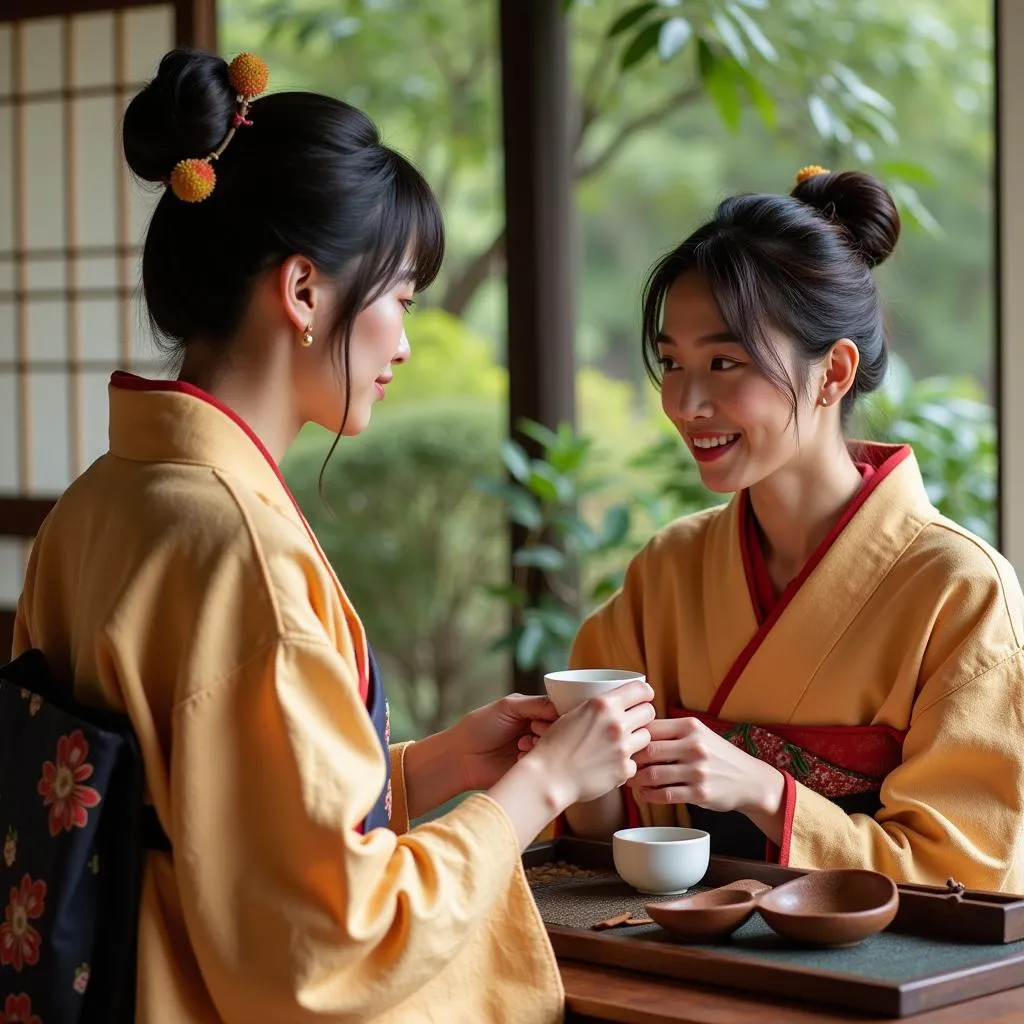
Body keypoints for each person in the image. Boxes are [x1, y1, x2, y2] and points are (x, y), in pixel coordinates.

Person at [11, 49, 656, 1021]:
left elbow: (212, 807)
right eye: (399, 295)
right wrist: (541, 784)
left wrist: (438, 766)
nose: (401, 338)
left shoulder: (105, 499)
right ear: (304, 291)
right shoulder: (238, 547)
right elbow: (328, 938)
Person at [547, 165, 1024, 893]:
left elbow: (971, 871)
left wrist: (767, 792)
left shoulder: (960, 592)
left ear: (833, 372)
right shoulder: (667, 570)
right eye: (672, 362)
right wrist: (573, 757)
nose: (685, 401)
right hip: (672, 964)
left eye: (725, 362)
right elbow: (602, 835)